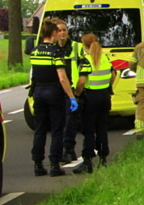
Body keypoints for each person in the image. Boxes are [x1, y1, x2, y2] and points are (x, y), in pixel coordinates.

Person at [30, 19, 78, 177]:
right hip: (53, 92)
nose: (60, 35)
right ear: (53, 33)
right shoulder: (56, 52)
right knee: (57, 129)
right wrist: (71, 97)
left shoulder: (35, 51)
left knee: (40, 129)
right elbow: (62, 78)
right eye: (58, 32)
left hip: (38, 92)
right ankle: (55, 164)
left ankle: (38, 164)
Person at [74, 34, 115, 174]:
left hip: (90, 97)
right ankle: (103, 159)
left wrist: (76, 95)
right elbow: (113, 75)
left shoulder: (85, 60)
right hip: (104, 96)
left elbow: (81, 81)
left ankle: (87, 160)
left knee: (89, 130)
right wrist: (108, 88)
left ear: (84, 46)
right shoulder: (105, 58)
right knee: (102, 128)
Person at [53, 18, 89, 163]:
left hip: (72, 89)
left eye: (64, 30)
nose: (62, 33)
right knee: (58, 122)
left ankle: (69, 150)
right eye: (59, 30)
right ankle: (59, 151)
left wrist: (78, 91)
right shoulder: (51, 48)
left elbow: (84, 67)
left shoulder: (77, 47)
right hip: (56, 89)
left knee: (70, 121)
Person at [129, 26, 144, 137]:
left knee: (142, 106)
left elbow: (132, 65)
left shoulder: (139, 46)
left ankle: (140, 130)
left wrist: (139, 71)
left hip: (142, 82)